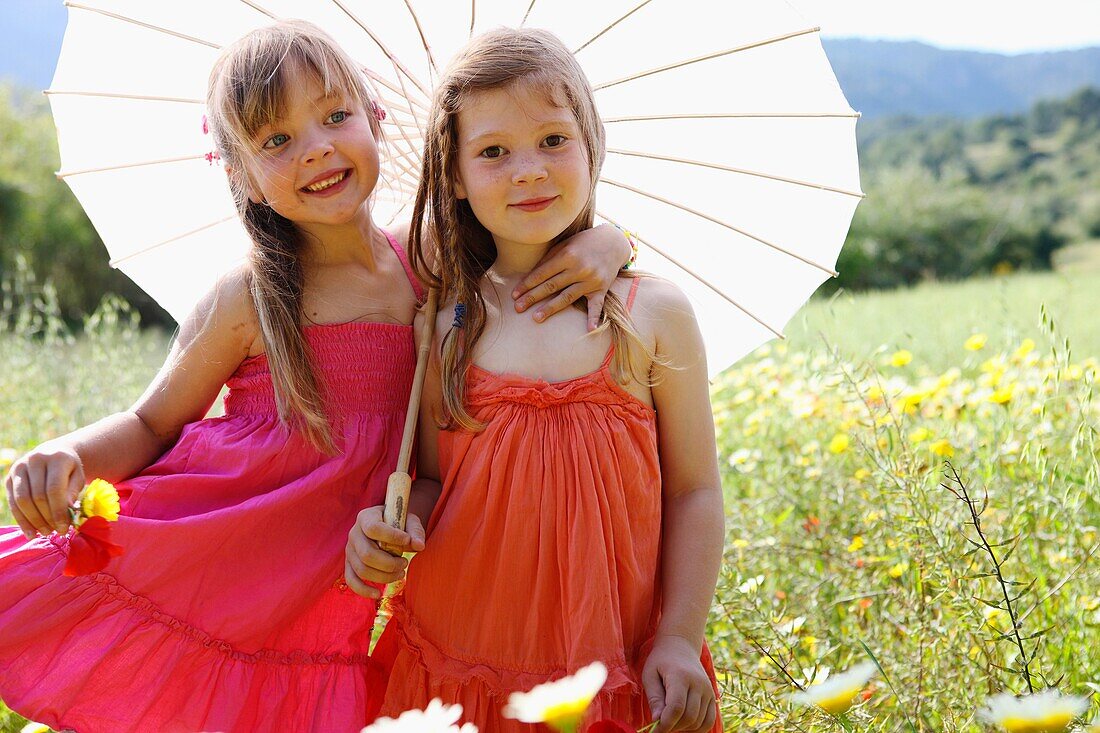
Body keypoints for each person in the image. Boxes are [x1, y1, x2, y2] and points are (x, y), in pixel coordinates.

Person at [0, 21, 631, 733]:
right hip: (203, 561)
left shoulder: (429, 268)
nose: (318, 146)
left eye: (335, 116)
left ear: (376, 119)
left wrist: (608, 240)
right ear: (241, 175)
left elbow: (528, 250)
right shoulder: (250, 296)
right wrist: (73, 456)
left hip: (323, 598)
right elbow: (151, 423)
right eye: (277, 141)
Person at [347, 27, 725, 733]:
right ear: (453, 175)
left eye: (554, 140)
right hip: (461, 661)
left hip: (610, 655)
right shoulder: (445, 321)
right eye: (493, 152)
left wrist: (677, 636)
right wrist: (393, 525)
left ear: (592, 144)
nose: (528, 170)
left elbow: (694, 489)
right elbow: (431, 478)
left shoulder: (654, 314)